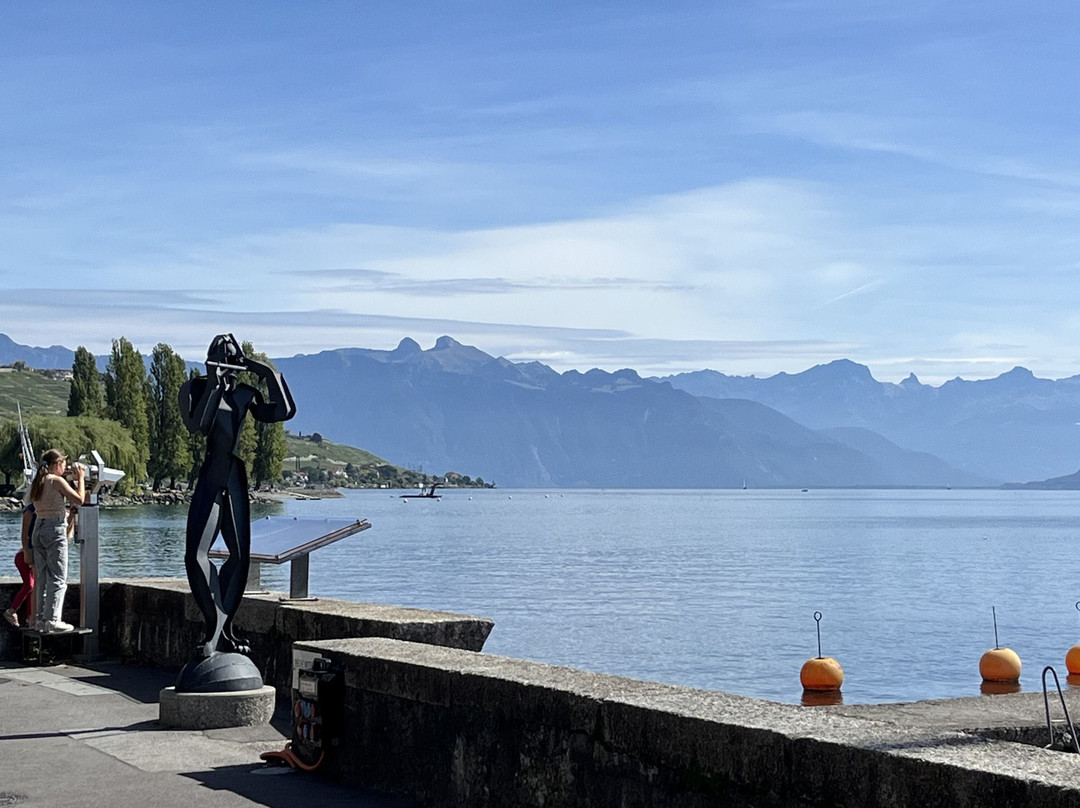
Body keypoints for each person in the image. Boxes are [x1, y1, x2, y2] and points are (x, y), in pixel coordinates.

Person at [179, 334, 295, 658]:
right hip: (211, 473)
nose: (227, 362)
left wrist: (267, 372)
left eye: (232, 358)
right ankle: (213, 626)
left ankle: (224, 630)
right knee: (195, 556)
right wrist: (214, 384)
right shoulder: (196, 389)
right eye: (221, 356)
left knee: (240, 557)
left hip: (234, 475)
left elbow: (284, 412)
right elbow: (198, 424)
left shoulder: (245, 395)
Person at [29, 449, 85, 633]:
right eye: (63, 464)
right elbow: (80, 499)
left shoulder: (38, 481)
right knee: (58, 578)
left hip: (38, 528)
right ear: (56, 464)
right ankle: (53, 619)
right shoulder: (56, 480)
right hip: (54, 530)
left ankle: (40, 620)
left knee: (42, 578)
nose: (66, 467)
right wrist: (81, 479)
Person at [2, 503, 35, 628]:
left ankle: (30, 618)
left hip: (32, 556)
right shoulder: (32, 510)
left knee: (33, 588)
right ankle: (11, 611)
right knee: (29, 585)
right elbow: (25, 535)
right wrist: (27, 552)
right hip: (23, 557)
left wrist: (70, 519)